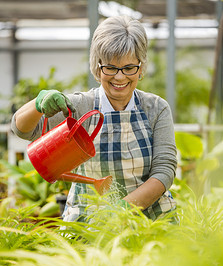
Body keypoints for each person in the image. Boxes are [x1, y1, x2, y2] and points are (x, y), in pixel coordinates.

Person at [11, 15, 177, 222]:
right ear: (97, 67)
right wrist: (38, 104)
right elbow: (23, 129)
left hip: (148, 219)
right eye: (110, 67)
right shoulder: (80, 107)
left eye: (128, 68)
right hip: (90, 221)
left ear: (141, 67)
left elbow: (164, 171)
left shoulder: (156, 109)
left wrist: (123, 210)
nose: (119, 77)